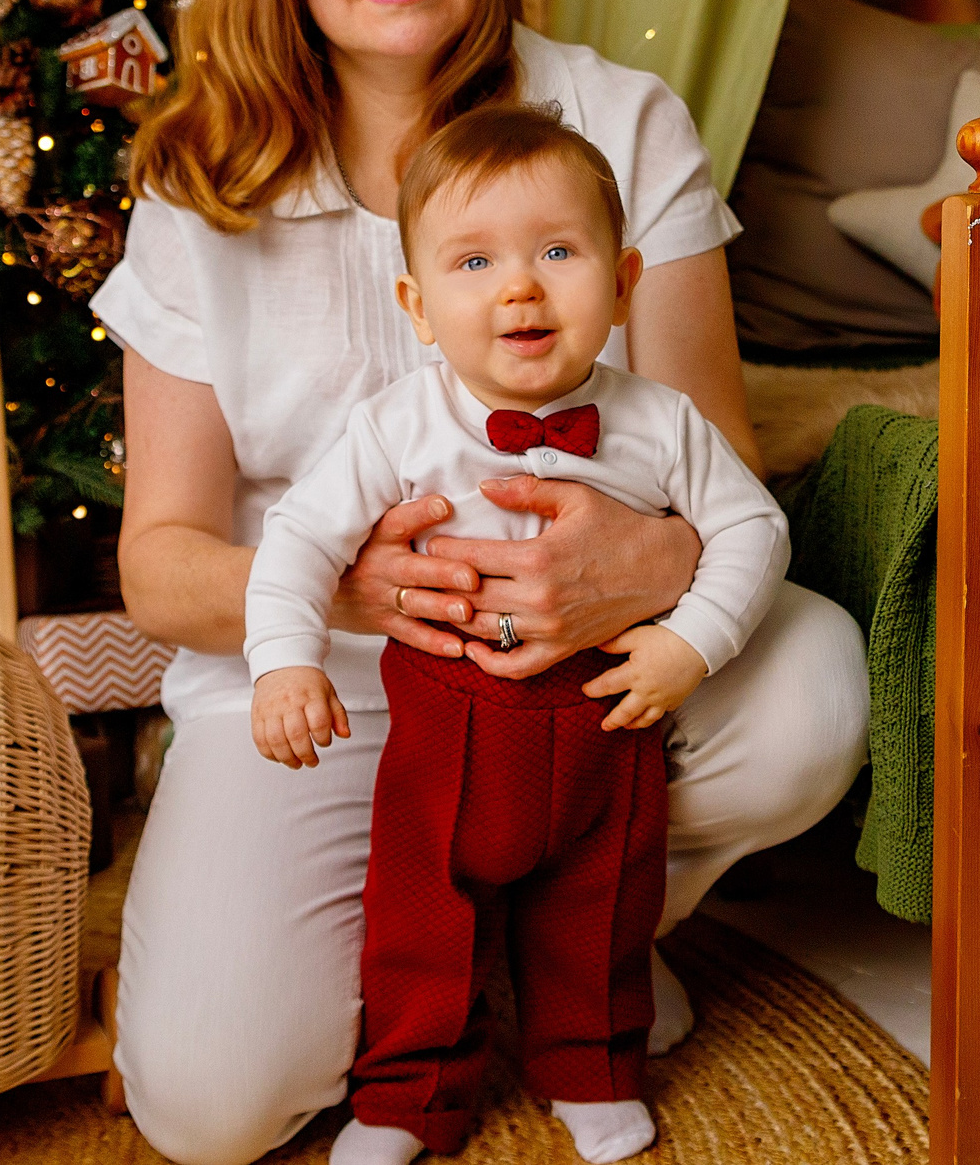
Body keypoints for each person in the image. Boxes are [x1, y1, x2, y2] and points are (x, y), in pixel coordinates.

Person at [95, 0, 867, 1165]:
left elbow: (722, 471)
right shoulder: (202, 183)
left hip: (591, 681)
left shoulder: (622, 120)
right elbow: (159, 558)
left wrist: (631, 569)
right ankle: (457, 954)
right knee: (213, 1104)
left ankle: (594, 938)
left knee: (815, 679)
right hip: (324, 690)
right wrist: (343, 591)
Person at [243, 105, 791, 1165]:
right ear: (415, 304)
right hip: (447, 729)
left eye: (557, 251)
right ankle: (407, 1098)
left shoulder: (661, 421)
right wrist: (282, 664)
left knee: (601, 908)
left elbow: (752, 527)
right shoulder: (397, 425)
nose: (520, 287)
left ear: (625, 281)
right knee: (420, 924)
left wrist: (692, 643)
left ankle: (588, 1065)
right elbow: (299, 540)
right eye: (474, 260)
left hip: (604, 719)